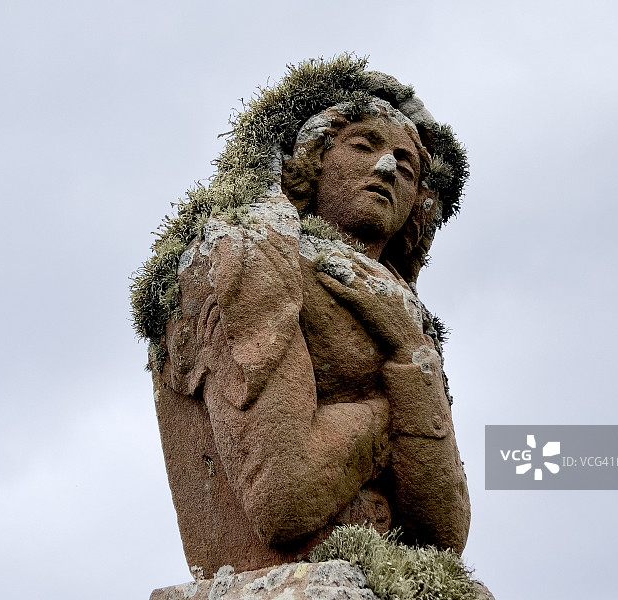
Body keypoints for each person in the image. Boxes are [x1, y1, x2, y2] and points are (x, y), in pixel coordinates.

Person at [151, 95, 470, 575]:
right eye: (363, 145)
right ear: (313, 162)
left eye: (406, 170)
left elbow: (445, 536)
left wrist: (411, 351)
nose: (386, 167)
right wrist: (400, 406)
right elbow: (285, 496)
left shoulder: (406, 316)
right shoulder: (256, 252)